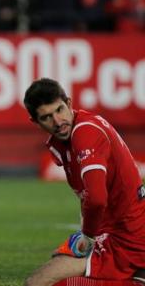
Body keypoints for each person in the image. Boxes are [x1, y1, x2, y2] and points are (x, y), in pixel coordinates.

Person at [23, 78, 145, 286]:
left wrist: (87, 236)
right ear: (35, 122)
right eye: (47, 117)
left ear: (69, 103)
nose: (57, 121)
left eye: (60, 110)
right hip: (122, 232)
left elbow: (97, 199)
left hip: (127, 239)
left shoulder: (84, 133)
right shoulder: (72, 134)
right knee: (60, 271)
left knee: (38, 282)